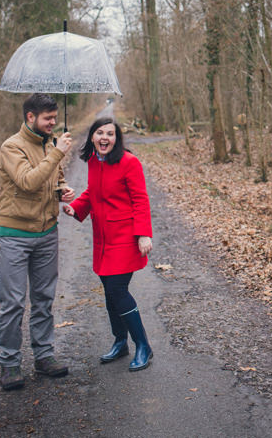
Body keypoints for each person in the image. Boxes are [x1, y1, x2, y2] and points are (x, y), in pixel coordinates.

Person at [0, 93, 75, 391]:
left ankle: (44, 357)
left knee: (43, 299)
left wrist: (62, 190)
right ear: (31, 117)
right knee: (13, 303)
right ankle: (10, 363)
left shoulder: (49, 145)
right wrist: (57, 153)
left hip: (46, 234)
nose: (52, 123)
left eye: (54, 118)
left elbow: (53, 179)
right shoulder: (11, 147)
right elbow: (27, 181)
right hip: (15, 236)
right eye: (47, 119)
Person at [62, 117, 154, 372]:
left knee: (117, 289)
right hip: (103, 239)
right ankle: (120, 342)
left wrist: (143, 234)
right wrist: (76, 207)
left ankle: (143, 346)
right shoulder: (94, 161)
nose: (105, 138)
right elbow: (92, 193)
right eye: (100, 133)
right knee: (109, 291)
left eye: (110, 134)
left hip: (125, 237)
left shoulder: (129, 162)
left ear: (117, 138)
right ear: (92, 137)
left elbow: (140, 199)